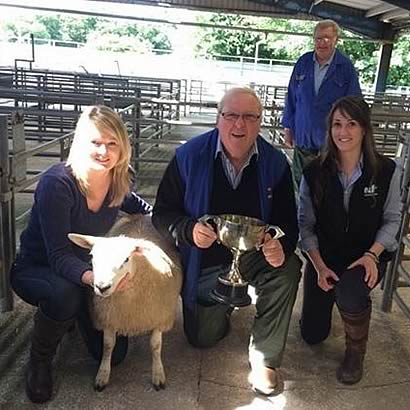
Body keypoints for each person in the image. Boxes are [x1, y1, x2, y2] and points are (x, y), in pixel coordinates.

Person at [152, 87, 302, 396]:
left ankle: (265, 359)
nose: (239, 125)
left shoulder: (275, 164)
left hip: (253, 254)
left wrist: (279, 244)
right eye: (231, 115)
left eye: (249, 117)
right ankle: (222, 307)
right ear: (218, 119)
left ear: (261, 122)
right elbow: (162, 213)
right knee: (201, 338)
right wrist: (187, 229)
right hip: (205, 261)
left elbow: (288, 222)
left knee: (288, 269)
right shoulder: (188, 156)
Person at [10, 105, 152, 404]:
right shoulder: (57, 183)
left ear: (122, 147)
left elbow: (147, 211)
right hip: (40, 267)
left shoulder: (117, 182)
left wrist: (175, 229)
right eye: (95, 142)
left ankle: (72, 315)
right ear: (80, 142)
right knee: (65, 295)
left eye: (112, 143)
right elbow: (59, 255)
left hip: (86, 270)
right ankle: (40, 359)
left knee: (116, 355)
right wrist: (97, 281)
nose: (103, 151)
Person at [298, 96, 402, 384]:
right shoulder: (314, 171)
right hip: (325, 256)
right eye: (337, 124)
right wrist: (318, 265)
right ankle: (322, 302)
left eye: (351, 124)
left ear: (365, 129)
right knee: (312, 335)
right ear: (329, 129)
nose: (343, 132)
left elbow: (394, 219)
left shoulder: (386, 171)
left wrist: (372, 255)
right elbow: (305, 226)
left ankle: (355, 353)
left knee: (350, 290)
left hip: (365, 255)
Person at [282, 19, 362, 188]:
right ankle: (301, 214)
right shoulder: (303, 63)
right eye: (318, 38)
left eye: (327, 38)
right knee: (300, 181)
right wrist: (288, 127)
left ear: (336, 40)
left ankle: (323, 214)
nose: (322, 42)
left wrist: (350, 135)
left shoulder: (345, 67)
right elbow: (291, 96)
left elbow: (354, 103)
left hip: (331, 140)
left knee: (328, 183)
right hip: (303, 135)